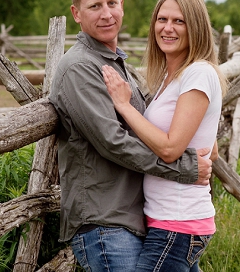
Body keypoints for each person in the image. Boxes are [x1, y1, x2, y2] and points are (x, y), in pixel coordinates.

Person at [48, 0, 214, 271]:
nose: (106, 14)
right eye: (94, 6)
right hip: (106, 221)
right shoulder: (79, 67)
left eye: (112, 3)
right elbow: (113, 142)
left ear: (122, 6)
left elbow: (155, 123)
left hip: (136, 218)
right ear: (76, 14)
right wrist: (185, 166)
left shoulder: (118, 65)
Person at [102, 0, 227, 270]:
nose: (167, 28)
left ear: (196, 27)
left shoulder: (198, 73)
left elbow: (170, 149)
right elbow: (211, 149)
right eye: (162, 20)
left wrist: (123, 105)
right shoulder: (172, 78)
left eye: (178, 21)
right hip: (170, 221)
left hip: (178, 223)